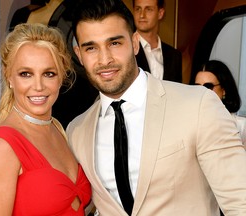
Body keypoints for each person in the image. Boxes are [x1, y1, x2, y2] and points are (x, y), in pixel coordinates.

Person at [66, 0, 246, 215]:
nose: (105, 59)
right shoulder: (76, 131)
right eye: (91, 48)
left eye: (114, 43)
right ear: (79, 54)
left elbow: (240, 201)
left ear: (134, 43)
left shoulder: (198, 104)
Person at [0, 23, 91, 215]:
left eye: (48, 74)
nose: (38, 86)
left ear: (61, 76)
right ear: (9, 76)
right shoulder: (0, 148)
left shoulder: (59, 130)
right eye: (26, 74)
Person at [193, 60, 246, 146]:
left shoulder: (241, 126)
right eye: (197, 87)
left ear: (224, 90)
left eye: (208, 86)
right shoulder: (188, 123)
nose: (202, 91)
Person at [133, 0, 182, 82]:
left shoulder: (174, 56)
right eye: (138, 9)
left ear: (160, 13)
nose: (142, 15)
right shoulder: (127, 50)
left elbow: (178, 92)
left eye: (148, 9)